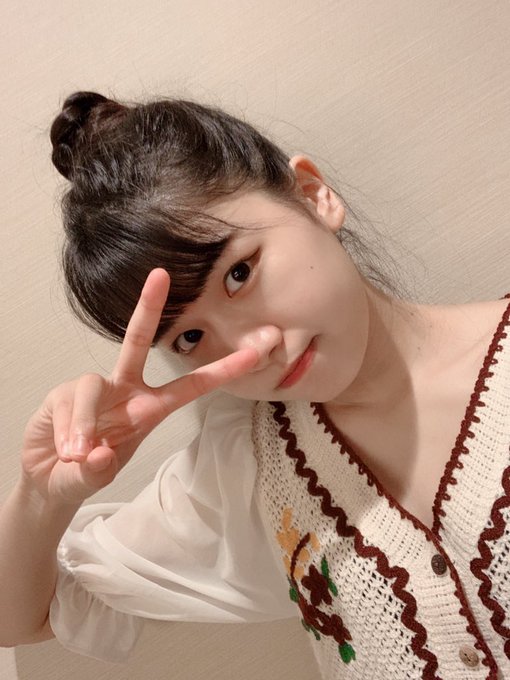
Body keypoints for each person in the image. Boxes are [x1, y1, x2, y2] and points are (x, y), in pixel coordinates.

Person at [0, 91, 508, 679]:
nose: (252, 348)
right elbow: (19, 618)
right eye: (190, 337)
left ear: (313, 195)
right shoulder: (249, 467)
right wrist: (43, 494)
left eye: (239, 273)